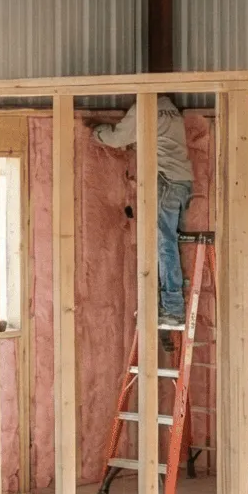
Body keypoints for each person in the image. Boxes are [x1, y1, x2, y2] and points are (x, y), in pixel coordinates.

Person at [93, 95, 194, 342]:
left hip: (166, 180)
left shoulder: (143, 107)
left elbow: (117, 138)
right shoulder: (170, 108)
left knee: (164, 244)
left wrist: (96, 132)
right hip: (183, 181)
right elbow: (154, 139)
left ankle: (172, 308)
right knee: (170, 244)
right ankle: (170, 303)